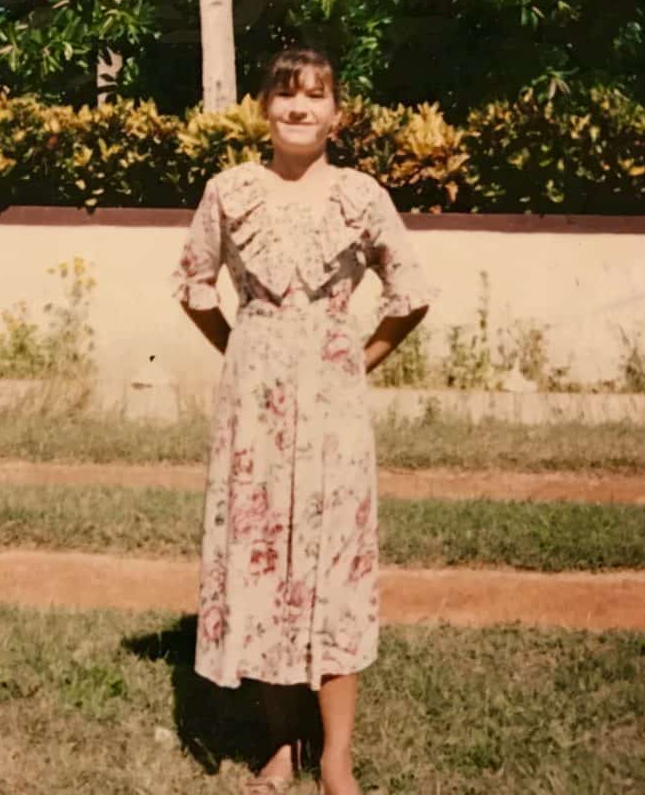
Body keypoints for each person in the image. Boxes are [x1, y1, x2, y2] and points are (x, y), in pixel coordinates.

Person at [173, 47, 435, 795]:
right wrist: (241, 351)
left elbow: (408, 292)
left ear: (337, 115)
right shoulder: (230, 190)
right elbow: (194, 284)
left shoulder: (360, 195)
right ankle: (280, 745)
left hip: (333, 408)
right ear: (263, 109)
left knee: (333, 564)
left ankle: (338, 756)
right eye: (285, 95)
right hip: (253, 411)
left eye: (315, 97)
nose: (298, 108)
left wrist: (357, 358)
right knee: (265, 564)